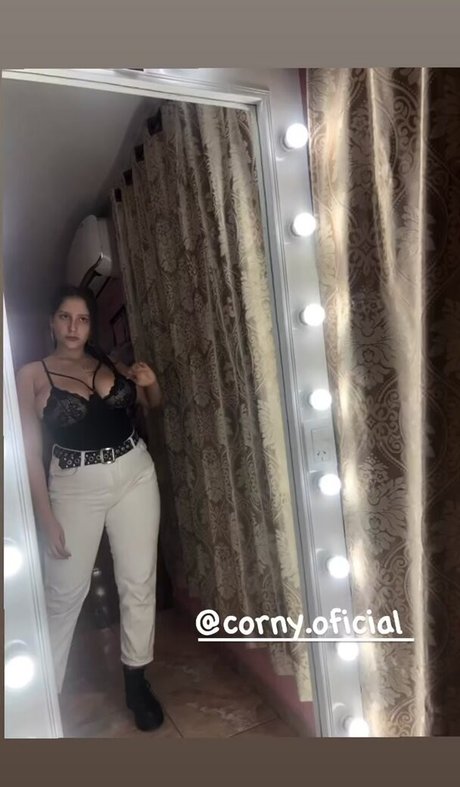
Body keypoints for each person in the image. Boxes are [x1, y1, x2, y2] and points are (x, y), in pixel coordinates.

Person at [16, 284, 164, 732]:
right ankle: (43, 695)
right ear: (51, 321)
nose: (73, 327)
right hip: (74, 486)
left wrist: (152, 385)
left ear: (90, 325)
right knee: (64, 593)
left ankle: (136, 681)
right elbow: (28, 452)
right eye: (65, 317)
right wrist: (45, 516)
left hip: (135, 473)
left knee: (138, 582)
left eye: (82, 319)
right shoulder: (32, 374)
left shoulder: (108, 362)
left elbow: (151, 405)